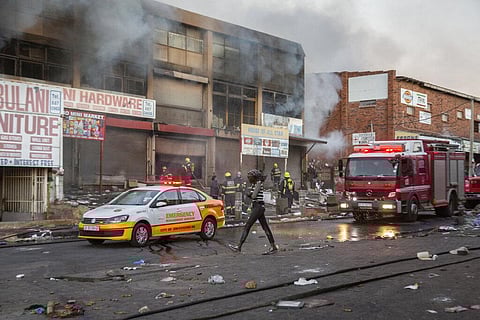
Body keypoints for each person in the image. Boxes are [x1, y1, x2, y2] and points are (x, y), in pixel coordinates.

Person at [229, 169, 278, 254]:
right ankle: (273, 246)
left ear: (255, 177)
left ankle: (239, 247)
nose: (249, 179)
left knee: (248, 226)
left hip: (258, 207)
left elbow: (254, 196)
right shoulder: (255, 184)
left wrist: (248, 194)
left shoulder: (258, 183)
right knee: (265, 227)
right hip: (258, 207)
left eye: (250, 177)